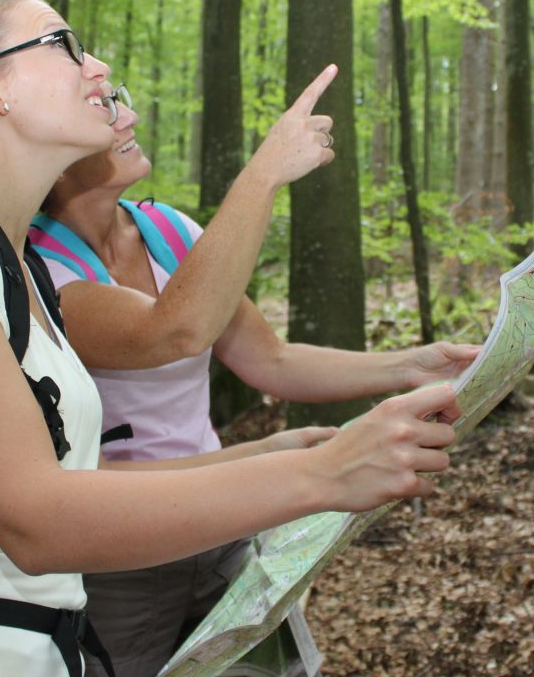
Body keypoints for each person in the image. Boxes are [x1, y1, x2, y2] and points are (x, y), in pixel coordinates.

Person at [0, 0, 461, 677]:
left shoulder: (13, 264)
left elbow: (75, 479)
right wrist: (323, 473)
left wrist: (269, 454)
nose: (97, 69)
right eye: (63, 45)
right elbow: (36, 519)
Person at [33, 90, 480, 677]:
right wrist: (266, 171)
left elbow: (270, 358)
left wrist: (409, 367)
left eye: (119, 101)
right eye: (104, 110)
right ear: (56, 153)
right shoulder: (35, 268)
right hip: (124, 551)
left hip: (225, 519)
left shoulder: (168, 230)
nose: (129, 117)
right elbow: (172, 332)